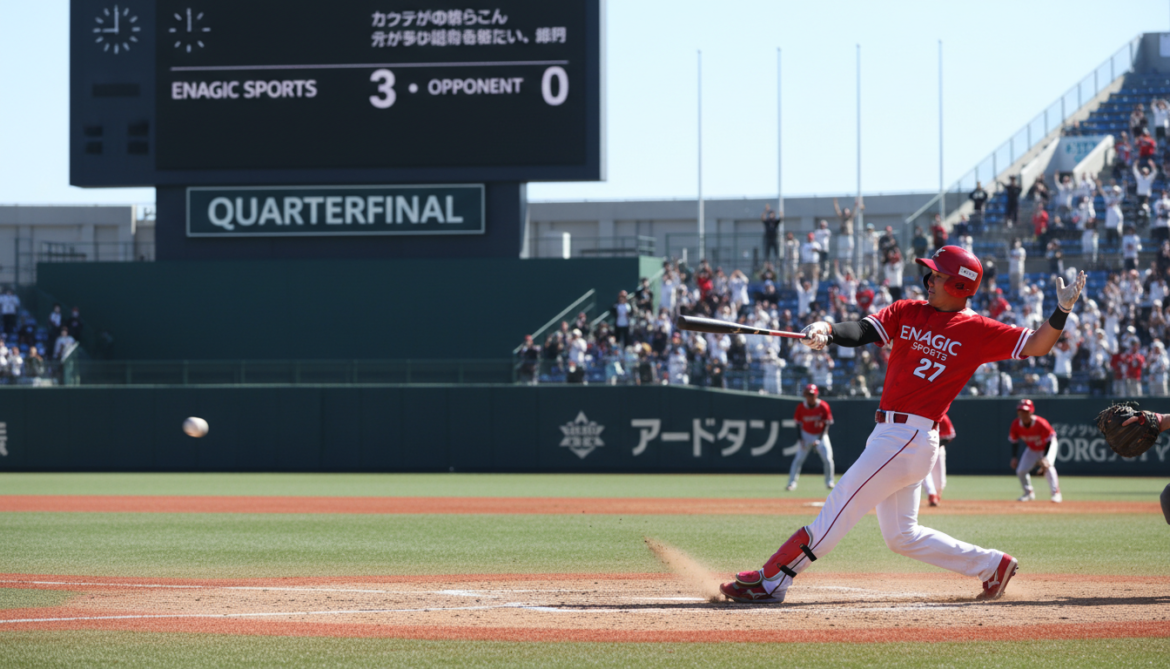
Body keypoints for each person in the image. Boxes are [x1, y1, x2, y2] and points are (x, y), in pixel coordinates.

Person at [719, 245, 1086, 604]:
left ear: (961, 286)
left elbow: (1038, 345)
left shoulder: (977, 329)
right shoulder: (907, 310)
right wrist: (827, 329)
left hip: (909, 435)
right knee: (901, 536)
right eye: (930, 272)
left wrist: (1062, 310)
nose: (928, 279)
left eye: (938, 275)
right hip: (895, 435)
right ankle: (993, 565)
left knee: (838, 506)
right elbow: (861, 330)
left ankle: (772, 580)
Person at [1008, 399, 1062, 503]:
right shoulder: (1015, 425)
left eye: (1026, 411)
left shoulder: (1041, 423)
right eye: (1021, 411)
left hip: (1048, 445)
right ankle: (1029, 493)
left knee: (1048, 467)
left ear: (1031, 411)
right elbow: (1014, 441)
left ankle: (1056, 493)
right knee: (1021, 471)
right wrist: (1014, 457)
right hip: (1032, 448)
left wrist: (1045, 458)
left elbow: (1050, 439)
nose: (1023, 414)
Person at [786, 384, 835, 492]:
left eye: (812, 394)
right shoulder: (801, 407)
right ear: (805, 395)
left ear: (816, 395)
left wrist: (820, 439)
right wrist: (801, 439)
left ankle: (829, 481)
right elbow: (798, 424)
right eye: (808, 394)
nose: (810, 397)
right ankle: (791, 483)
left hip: (821, 434)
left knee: (828, 459)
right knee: (798, 460)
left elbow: (827, 423)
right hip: (806, 434)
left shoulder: (823, 406)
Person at [922, 413, 954, 507]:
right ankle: (932, 495)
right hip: (922, 449)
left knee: (940, 483)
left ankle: (936, 495)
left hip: (938, 449)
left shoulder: (942, 416)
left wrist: (935, 445)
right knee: (924, 472)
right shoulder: (920, 414)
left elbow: (951, 435)